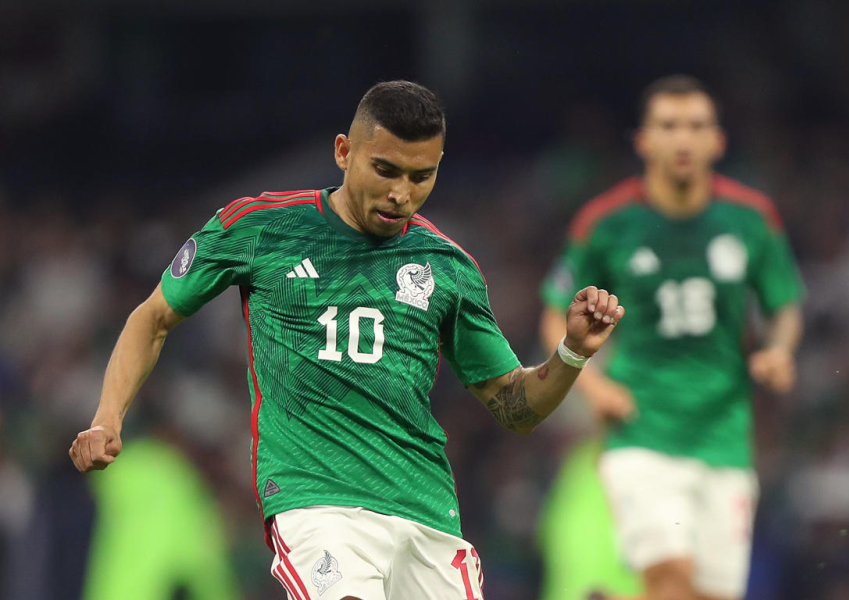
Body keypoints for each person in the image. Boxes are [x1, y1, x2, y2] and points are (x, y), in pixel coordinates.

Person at [67, 80, 626, 600]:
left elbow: (515, 407)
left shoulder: (448, 268)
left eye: (421, 176)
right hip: (318, 503)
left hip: (426, 511)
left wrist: (573, 352)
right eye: (385, 169)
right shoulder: (260, 229)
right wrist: (106, 418)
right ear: (343, 152)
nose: (401, 193)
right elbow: (154, 317)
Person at [539, 74, 805, 600]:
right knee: (669, 579)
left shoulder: (751, 220)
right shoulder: (606, 222)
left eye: (696, 126)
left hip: (725, 431)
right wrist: (592, 389)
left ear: (717, 140)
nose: (682, 139)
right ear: (643, 141)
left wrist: (780, 350)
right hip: (641, 428)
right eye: (668, 125)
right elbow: (555, 313)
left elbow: (785, 304)